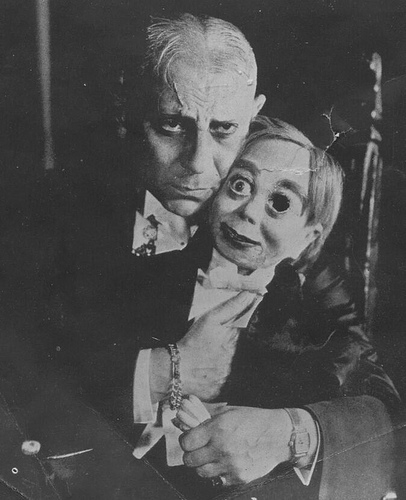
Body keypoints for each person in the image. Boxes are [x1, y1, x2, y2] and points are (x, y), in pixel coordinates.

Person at [130, 117, 400, 500]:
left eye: (280, 203)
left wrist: (287, 433)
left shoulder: (316, 302)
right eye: (240, 185)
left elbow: (379, 405)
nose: (250, 212)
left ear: (307, 238)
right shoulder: (152, 265)